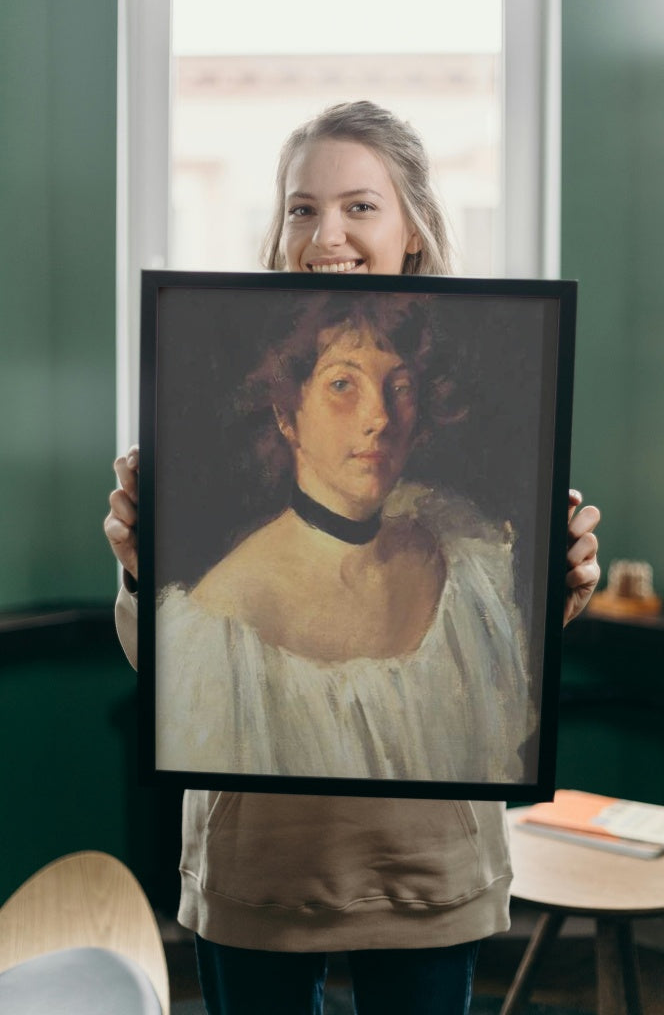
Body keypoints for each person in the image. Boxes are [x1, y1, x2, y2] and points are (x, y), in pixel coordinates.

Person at [105, 101, 601, 1015]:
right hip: (263, 872)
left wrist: (557, 587)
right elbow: (171, 678)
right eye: (302, 207)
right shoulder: (218, 599)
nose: (325, 232)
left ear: (412, 226)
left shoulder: (468, 546)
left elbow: (508, 678)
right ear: (286, 411)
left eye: (359, 206)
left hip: (427, 870)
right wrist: (139, 567)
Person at [154, 290, 537, 783]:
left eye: (399, 387)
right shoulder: (222, 624)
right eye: (342, 385)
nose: (378, 417)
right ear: (287, 415)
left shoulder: (461, 565)